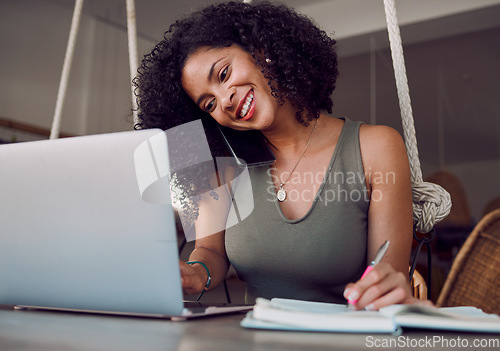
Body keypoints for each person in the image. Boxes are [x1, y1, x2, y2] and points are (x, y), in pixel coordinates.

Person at [134, 1, 422, 310]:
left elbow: (387, 273)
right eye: (209, 104)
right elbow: (210, 252)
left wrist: (386, 286)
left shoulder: (376, 147)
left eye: (224, 73)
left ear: (261, 48)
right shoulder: (225, 170)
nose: (225, 99)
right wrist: (195, 273)